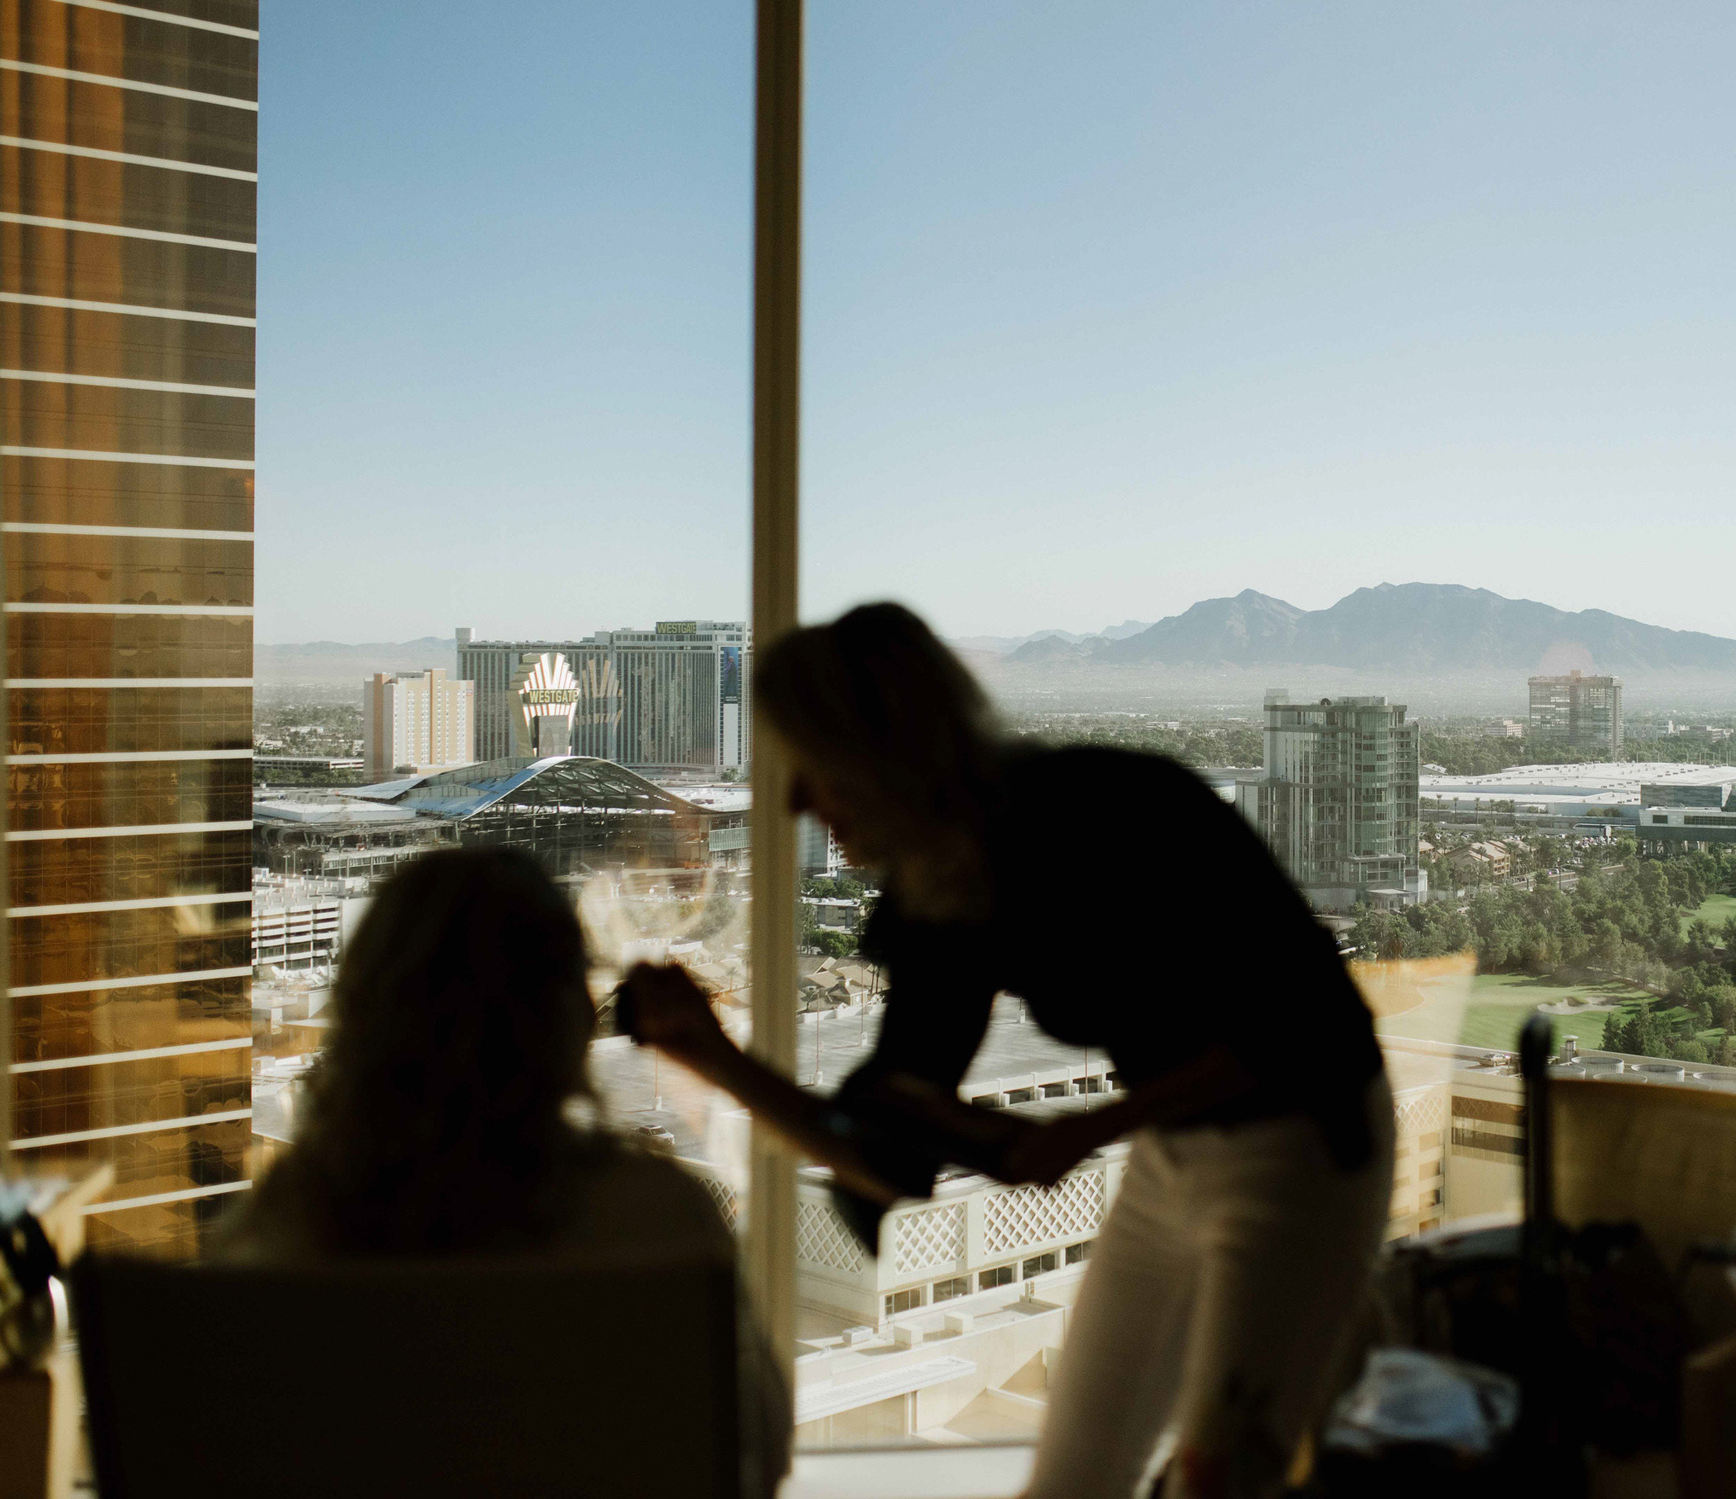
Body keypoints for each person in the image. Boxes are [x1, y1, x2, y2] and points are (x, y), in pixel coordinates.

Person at [627, 602, 1393, 1499]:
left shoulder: (1112, 807)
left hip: (1303, 1149)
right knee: (1072, 1480)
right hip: (1172, 1158)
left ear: (886, 755)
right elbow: (885, 1148)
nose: (795, 801)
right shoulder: (935, 889)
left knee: (1222, 1480)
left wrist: (1095, 1123)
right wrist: (710, 1055)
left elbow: (1296, 1024)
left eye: (814, 769)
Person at [233, 847, 791, 1499]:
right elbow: (757, 1447)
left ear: (363, 1015)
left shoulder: (298, 1212)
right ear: (571, 1020)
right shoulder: (656, 1211)